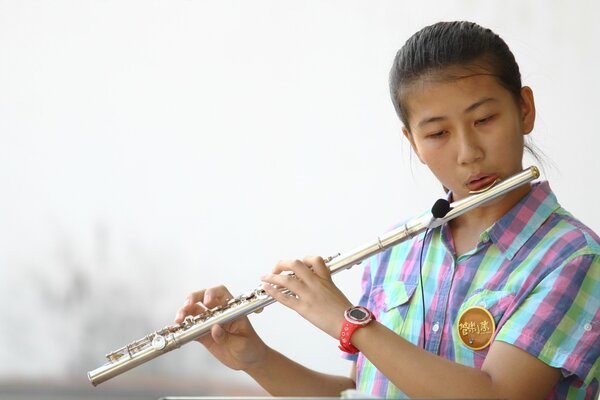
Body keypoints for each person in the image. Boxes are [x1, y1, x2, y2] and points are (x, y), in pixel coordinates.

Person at [175, 21, 600, 399]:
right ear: (412, 141)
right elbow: (365, 391)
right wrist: (256, 359)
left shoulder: (572, 257)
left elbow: (498, 394)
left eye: (485, 119)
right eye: (437, 133)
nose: (468, 152)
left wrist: (349, 321)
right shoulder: (399, 249)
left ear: (524, 109)